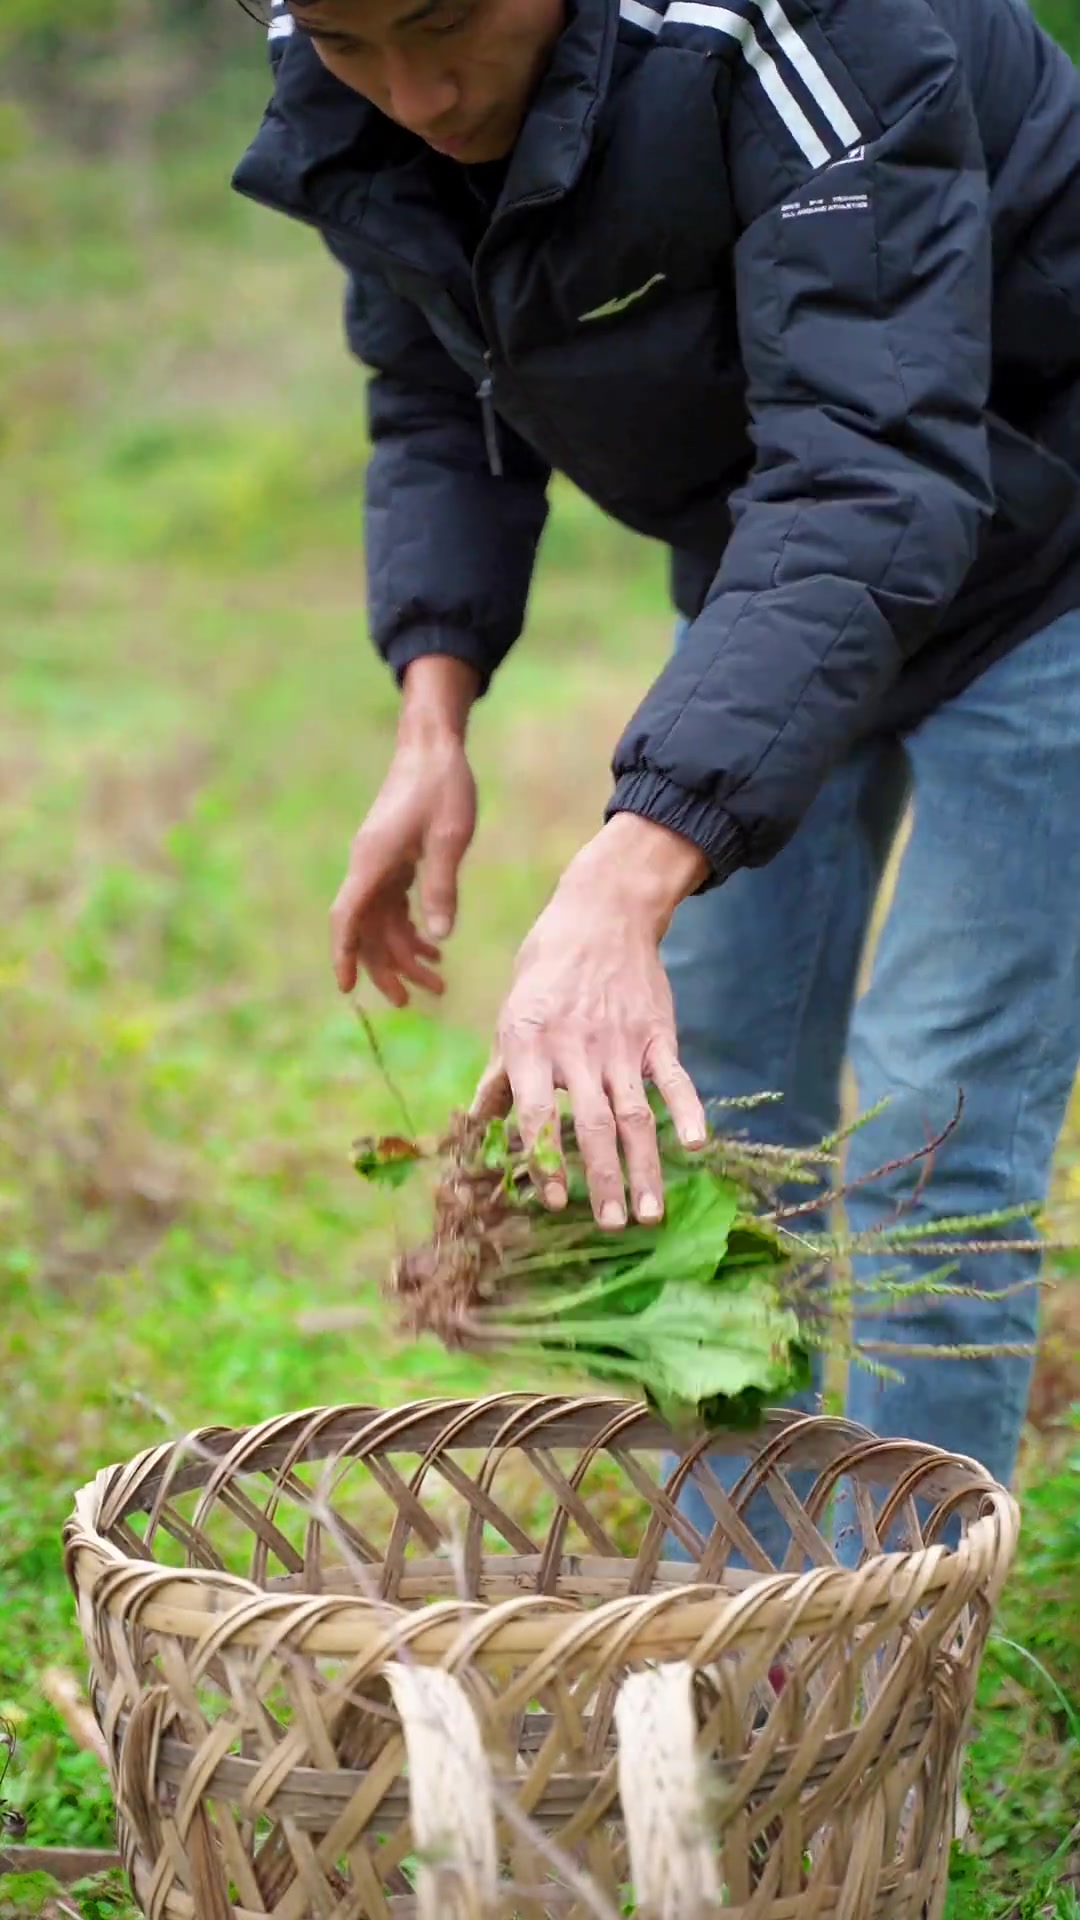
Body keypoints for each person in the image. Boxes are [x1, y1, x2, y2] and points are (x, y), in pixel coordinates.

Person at [234, 0, 1080, 1520]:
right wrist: (434, 716)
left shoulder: (794, 22)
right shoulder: (337, 56)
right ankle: (754, 1644)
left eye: (441, 25)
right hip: (781, 575)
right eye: (355, 45)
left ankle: (898, 1658)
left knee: (929, 1134)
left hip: (1047, 552)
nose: (414, 93)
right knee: (707, 1111)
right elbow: (436, 391)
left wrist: (629, 874)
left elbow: (873, 467)